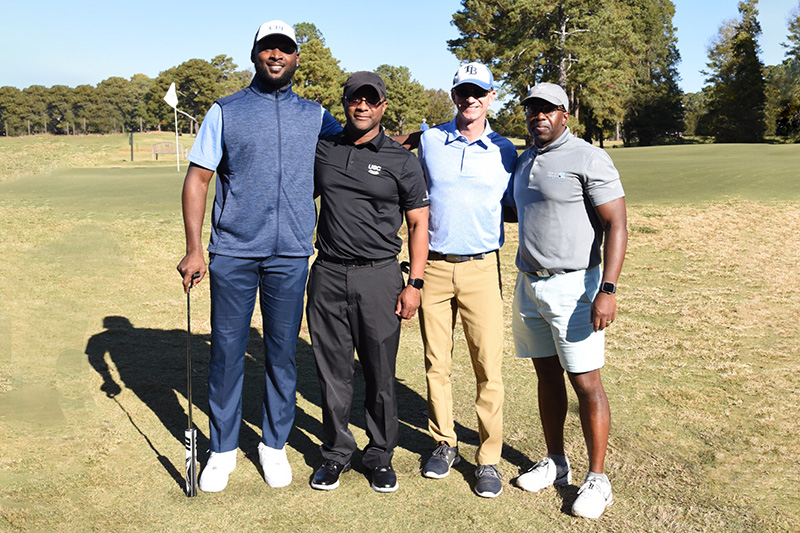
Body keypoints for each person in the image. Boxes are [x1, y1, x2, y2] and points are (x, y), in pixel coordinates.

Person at [176, 20, 342, 493]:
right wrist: (193, 248)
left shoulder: (316, 115)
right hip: (232, 251)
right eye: (268, 48)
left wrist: (415, 142)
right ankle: (223, 450)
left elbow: (356, 142)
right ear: (254, 55)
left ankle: (273, 446)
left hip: (290, 252)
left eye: (285, 50)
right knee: (227, 352)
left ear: (295, 58)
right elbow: (198, 180)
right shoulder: (225, 111)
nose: (276, 56)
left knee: (282, 354)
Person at [306, 71, 429, 493]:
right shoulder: (323, 149)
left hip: (380, 275)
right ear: (344, 103)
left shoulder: (401, 159)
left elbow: (418, 223)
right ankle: (336, 452)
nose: (362, 106)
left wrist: (414, 282)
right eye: (355, 99)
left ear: (382, 107)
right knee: (332, 371)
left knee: (380, 372)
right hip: (327, 273)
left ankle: (379, 455)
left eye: (370, 100)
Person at [510, 82, 627, 519]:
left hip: (576, 286)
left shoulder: (589, 157)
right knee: (546, 376)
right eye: (532, 109)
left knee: (586, 382)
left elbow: (617, 224)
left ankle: (598, 479)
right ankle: (556, 462)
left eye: (547, 109)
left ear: (565, 114)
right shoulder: (525, 160)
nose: (538, 116)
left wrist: (608, 289)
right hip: (529, 285)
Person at [417, 62, 517, 498]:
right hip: (434, 267)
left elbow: (517, 203)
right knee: (436, 362)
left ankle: (489, 458)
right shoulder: (429, 141)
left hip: (481, 266)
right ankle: (444, 442)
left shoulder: (505, 150)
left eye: (479, 92)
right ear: (453, 95)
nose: (470, 99)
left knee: (487, 366)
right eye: (463, 92)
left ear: (492, 97)